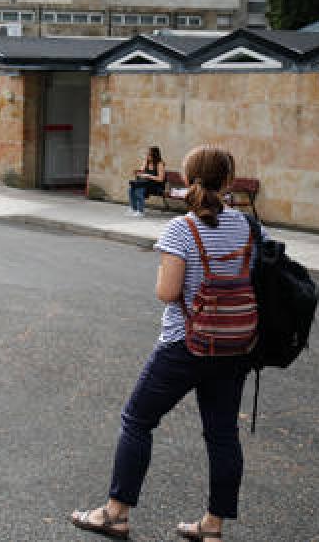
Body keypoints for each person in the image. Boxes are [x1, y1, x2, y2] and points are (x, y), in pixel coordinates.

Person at [70, 145, 256, 542]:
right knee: (223, 434)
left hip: (183, 345)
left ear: (188, 180)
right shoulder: (248, 228)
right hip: (233, 347)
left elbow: (168, 292)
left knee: (137, 421)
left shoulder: (181, 229)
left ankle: (116, 514)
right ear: (228, 181)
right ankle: (212, 526)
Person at [128, 146, 167, 217]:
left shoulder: (159, 164)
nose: (147, 156)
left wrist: (148, 176)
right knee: (131, 189)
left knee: (139, 189)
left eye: (149, 154)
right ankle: (133, 209)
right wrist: (138, 172)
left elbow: (161, 179)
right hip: (146, 183)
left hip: (156, 185)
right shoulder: (146, 162)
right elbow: (141, 172)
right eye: (147, 154)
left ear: (154, 155)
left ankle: (140, 211)